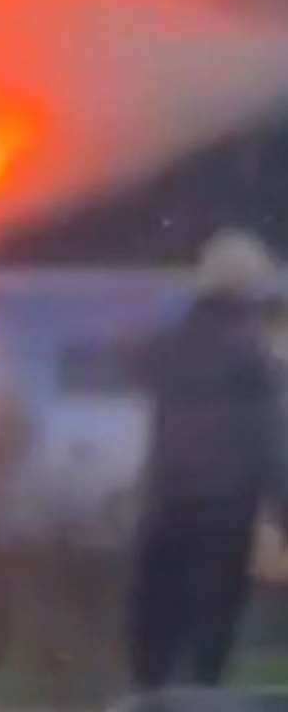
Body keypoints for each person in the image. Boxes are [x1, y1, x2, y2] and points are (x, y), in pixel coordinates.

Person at [127, 230, 288, 691]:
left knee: (154, 634)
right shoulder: (254, 355)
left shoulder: (169, 345)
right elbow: (269, 438)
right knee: (209, 639)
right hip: (224, 516)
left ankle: (149, 699)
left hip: (164, 509)